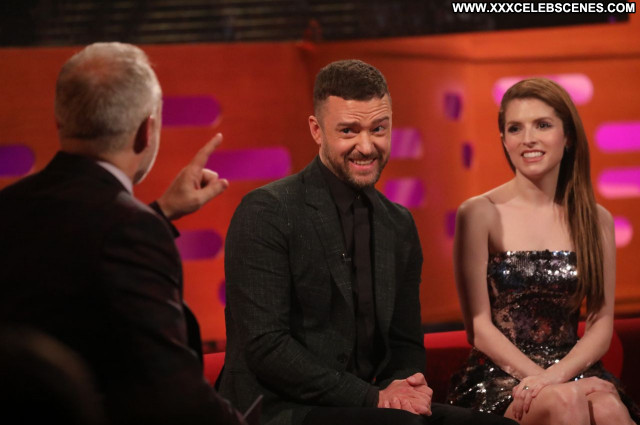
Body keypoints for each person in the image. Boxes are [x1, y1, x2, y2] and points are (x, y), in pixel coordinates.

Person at [219, 59, 517, 425]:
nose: (366, 146)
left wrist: (405, 386)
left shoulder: (398, 223)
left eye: (378, 129)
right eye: (348, 131)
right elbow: (266, 347)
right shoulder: (268, 211)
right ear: (316, 130)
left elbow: (405, 342)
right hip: (279, 408)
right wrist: (373, 397)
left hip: (366, 403)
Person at [0, 42, 247, 425]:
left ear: (60, 122)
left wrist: (161, 213)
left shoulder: (9, 205)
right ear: (147, 131)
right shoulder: (130, 230)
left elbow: (70, 265)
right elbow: (175, 392)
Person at [446, 78, 640, 425]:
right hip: (501, 375)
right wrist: (543, 382)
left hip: (571, 369)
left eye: (542, 125)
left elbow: (600, 322)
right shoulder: (478, 213)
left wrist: (556, 377)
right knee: (564, 402)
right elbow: (479, 328)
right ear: (504, 139)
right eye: (515, 128)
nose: (528, 138)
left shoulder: (597, 220)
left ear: (568, 137)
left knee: (609, 410)